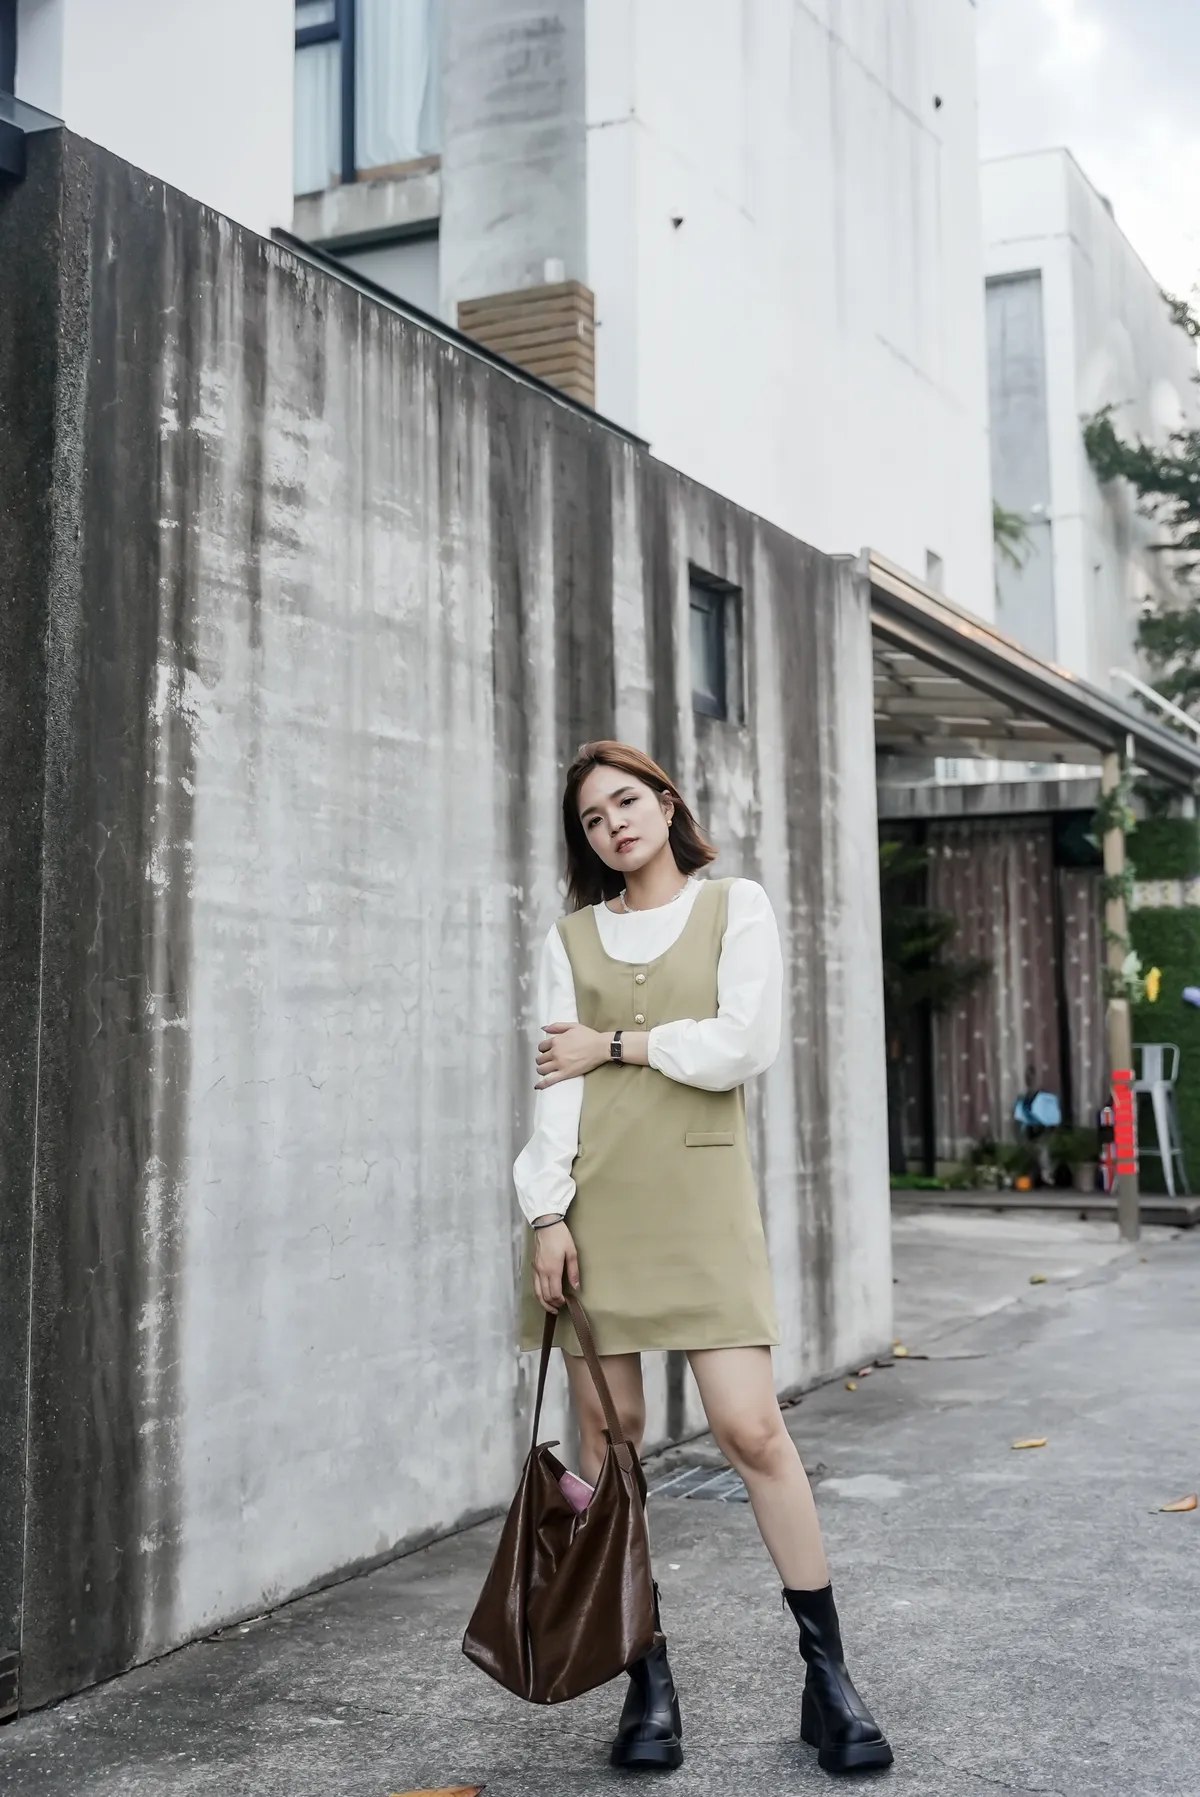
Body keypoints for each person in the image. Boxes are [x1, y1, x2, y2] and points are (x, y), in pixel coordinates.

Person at [514, 741, 892, 1777]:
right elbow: (554, 1087)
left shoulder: (738, 908)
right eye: (592, 818)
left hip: (702, 1203)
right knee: (613, 1444)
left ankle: (829, 1679)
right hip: (594, 1205)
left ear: (665, 800)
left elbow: (741, 1045)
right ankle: (647, 1681)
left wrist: (615, 1044)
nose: (613, 826)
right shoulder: (570, 938)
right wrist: (546, 1214)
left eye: (625, 801)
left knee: (751, 1428)